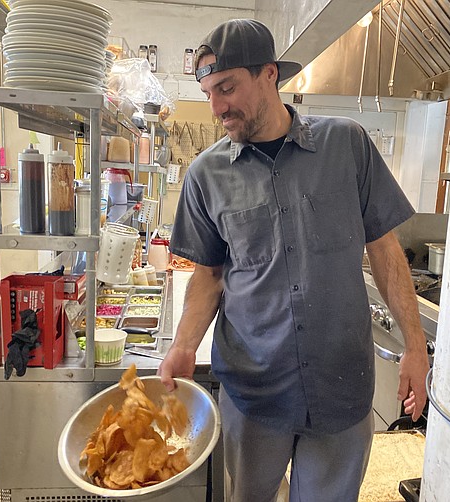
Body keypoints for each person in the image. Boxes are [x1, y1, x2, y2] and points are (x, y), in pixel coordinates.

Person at [158, 18, 430, 502]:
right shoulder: (205, 176)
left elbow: (385, 251)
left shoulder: (347, 145)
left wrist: (415, 346)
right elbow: (210, 275)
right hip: (254, 393)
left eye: (227, 88)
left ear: (269, 74)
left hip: (340, 389)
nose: (217, 107)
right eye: (208, 93)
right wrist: (183, 346)